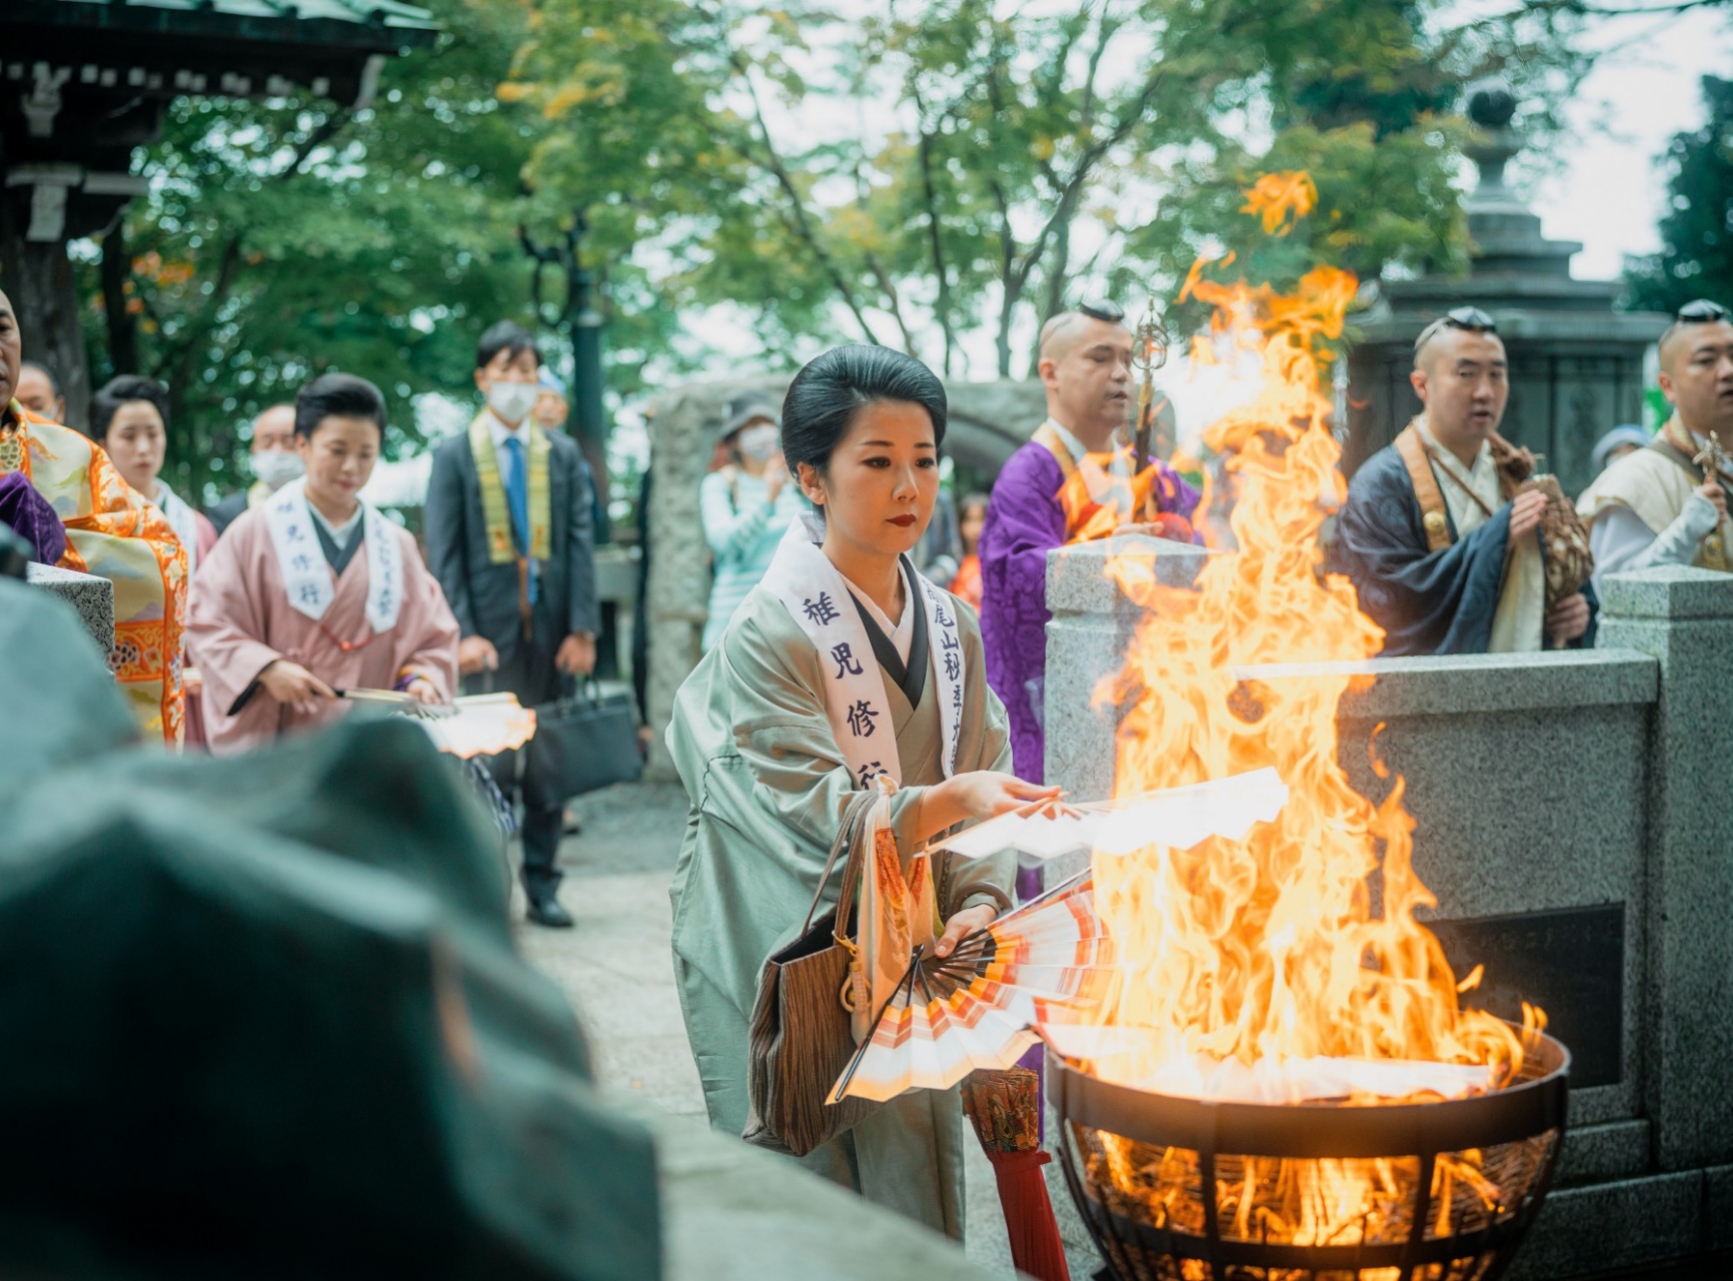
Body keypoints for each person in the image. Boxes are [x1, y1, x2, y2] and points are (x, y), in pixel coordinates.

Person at [667, 345, 1048, 1239]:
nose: (908, 485)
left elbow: (979, 763)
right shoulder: (768, 630)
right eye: (876, 461)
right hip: (777, 933)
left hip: (905, 934)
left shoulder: (949, 624)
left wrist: (980, 897)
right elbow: (800, 809)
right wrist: (954, 805)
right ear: (810, 476)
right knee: (806, 1195)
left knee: (911, 1177)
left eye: (923, 459)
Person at [977, 299, 1200, 783]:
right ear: (1051, 373)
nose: (1121, 374)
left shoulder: (1156, 478)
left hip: (1153, 696)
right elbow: (1018, 581)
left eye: (1127, 359)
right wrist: (1105, 558)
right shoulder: (1030, 475)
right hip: (1059, 704)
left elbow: (1209, 555)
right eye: (1100, 359)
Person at [423, 321, 600, 929]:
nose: (519, 383)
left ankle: (545, 886)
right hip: (486, 640)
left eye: (528, 371)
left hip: (553, 636)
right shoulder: (454, 455)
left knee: (551, 766)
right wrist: (461, 631)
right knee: (487, 766)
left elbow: (580, 544)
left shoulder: (563, 453)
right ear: (483, 379)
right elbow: (444, 553)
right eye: (507, 370)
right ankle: (487, 888)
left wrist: (583, 628)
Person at [187, 373, 460, 756]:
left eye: (365, 454)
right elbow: (206, 619)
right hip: (282, 742)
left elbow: (432, 636)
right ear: (303, 444)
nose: (351, 467)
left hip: (366, 745)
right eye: (337, 450)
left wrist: (420, 679)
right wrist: (264, 669)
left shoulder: (394, 544)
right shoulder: (253, 531)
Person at [1333, 307, 1594, 655]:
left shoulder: (1518, 475)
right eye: (1466, 374)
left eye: (1496, 375)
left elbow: (1566, 585)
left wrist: (1574, 614)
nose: (1485, 392)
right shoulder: (1380, 485)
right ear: (1421, 384)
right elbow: (1385, 606)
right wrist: (1498, 538)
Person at [0, 288, 187, 744]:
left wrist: (55, 552)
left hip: (40, 711)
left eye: (2, 329)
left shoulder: (74, 456)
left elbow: (163, 557)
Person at [1578, 301, 1733, 595]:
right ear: (1667, 386)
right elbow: (1616, 595)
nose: (1727, 371)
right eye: (1707, 360)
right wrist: (1685, 534)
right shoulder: (1634, 480)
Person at [699, 392, 804, 652]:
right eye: (752, 428)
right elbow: (723, 541)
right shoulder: (720, 483)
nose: (763, 434)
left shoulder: (794, 484)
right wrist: (768, 500)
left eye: (766, 425)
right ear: (734, 440)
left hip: (790, 619)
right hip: (736, 619)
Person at [89, 376, 218, 577]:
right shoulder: (84, 518)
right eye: (128, 436)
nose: (143, 448)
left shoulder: (196, 528)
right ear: (103, 444)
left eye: (153, 434)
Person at [207, 404, 301, 535]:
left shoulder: (329, 508)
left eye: (288, 441)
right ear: (254, 449)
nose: (277, 451)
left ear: (305, 446)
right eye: (267, 442)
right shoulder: (228, 515)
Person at [948, 491, 988, 610]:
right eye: (969, 520)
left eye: (981, 520)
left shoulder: (996, 566)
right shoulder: (954, 563)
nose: (975, 528)